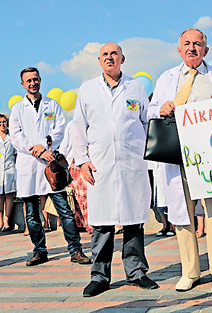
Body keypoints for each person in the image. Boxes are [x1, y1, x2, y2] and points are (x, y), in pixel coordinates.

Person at [148, 28, 212, 292]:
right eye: (187, 44)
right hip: (178, 156)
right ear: (179, 50)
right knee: (183, 215)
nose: (192, 48)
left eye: (198, 44)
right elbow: (151, 111)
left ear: (206, 51)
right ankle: (190, 271)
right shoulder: (167, 79)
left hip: (211, 156)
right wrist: (162, 108)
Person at [71, 42, 159, 297]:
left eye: (114, 54)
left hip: (132, 163)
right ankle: (100, 276)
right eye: (105, 55)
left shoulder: (136, 87)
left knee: (133, 221)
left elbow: (146, 122)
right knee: (102, 223)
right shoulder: (88, 89)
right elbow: (78, 126)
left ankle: (136, 273)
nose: (110, 58)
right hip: (100, 164)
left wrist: (148, 156)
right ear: (99, 61)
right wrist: (82, 160)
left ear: (123, 58)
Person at [10, 67, 90, 265]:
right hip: (29, 164)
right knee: (31, 213)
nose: (32, 83)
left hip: (50, 165)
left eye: (35, 79)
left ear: (40, 81)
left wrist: (47, 146)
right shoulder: (17, 109)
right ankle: (39, 250)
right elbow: (15, 135)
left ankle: (75, 250)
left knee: (65, 210)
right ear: (22, 84)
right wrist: (34, 149)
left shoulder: (52, 105)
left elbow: (59, 130)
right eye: (28, 80)